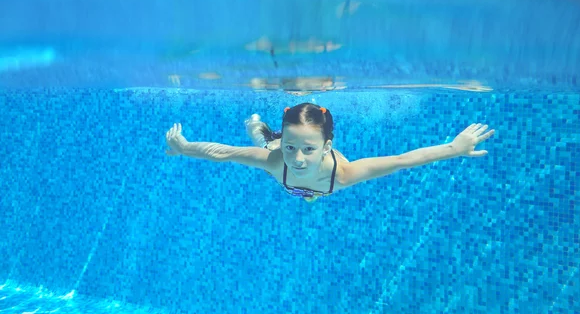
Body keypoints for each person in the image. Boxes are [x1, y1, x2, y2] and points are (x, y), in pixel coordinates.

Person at [165, 102, 495, 203]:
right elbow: (223, 153)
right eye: (292, 147)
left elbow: (401, 161)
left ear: (327, 146)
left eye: (309, 149)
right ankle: (258, 126)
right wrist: (183, 148)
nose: (297, 158)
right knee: (262, 139)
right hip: (295, 180)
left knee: (309, 194)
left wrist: (455, 148)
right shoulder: (277, 158)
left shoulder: (345, 173)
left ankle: (265, 130)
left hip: (317, 186)